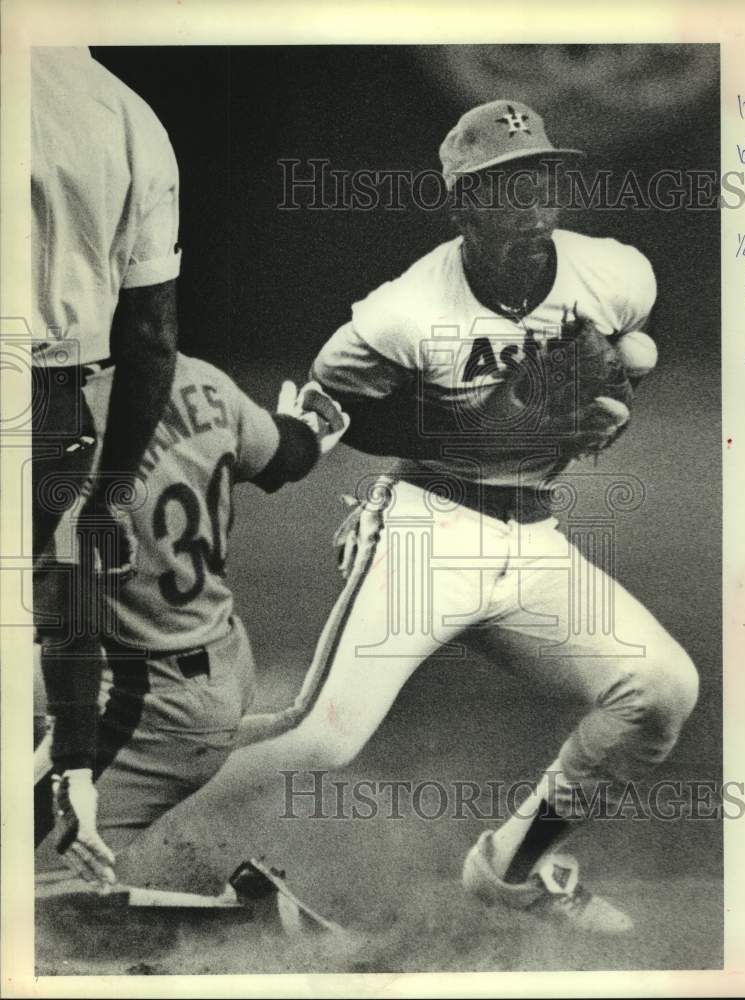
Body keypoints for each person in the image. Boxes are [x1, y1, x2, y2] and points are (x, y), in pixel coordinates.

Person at [230, 100, 699, 934]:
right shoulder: (400, 312)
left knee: (659, 689)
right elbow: (338, 411)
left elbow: (616, 371)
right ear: (461, 205)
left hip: (533, 539)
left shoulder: (616, 274)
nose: (533, 205)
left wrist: (608, 406)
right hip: (427, 529)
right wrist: (490, 419)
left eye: (544, 180)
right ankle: (88, 792)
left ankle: (511, 869)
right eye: (506, 187)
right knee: (322, 737)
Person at [35, 354, 348, 888]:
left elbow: (73, 637)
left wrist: (74, 768)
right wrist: (310, 427)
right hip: (215, 654)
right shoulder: (202, 382)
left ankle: (234, 922)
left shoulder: (66, 437)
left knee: (24, 876)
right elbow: (285, 456)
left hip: (143, 702)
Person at [31, 46, 182, 885]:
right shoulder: (129, 118)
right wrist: (112, 495)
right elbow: (152, 337)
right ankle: (71, 785)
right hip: (53, 398)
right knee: (58, 597)